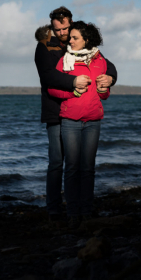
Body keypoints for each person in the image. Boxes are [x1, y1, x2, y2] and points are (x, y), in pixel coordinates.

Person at [34, 7, 117, 224]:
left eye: (65, 28)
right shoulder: (45, 47)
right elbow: (48, 76)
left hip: (84, 113)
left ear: (71, 24)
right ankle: (54, 210)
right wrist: (73, 83)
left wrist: (109, 79)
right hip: (55, 111)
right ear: (52, 27)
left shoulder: (84, 45)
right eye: (57, 29)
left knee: (81, 166)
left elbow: (108, 67)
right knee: (57, 163)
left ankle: (81, 209)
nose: (62, 33)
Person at [48, 21, 109, 228]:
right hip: (71, 121)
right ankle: (73, 213)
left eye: (75, 38)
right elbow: (52, 89)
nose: (70, 41)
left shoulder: (100, 60)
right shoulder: (65, 61)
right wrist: (72, 90)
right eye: (70, 37)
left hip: (93, 121)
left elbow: (105, 94)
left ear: (87, 39)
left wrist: (104, 88)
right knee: (72, 168)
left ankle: (87, 211)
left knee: (88, 169)